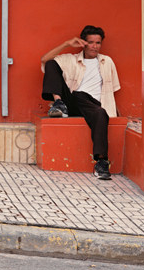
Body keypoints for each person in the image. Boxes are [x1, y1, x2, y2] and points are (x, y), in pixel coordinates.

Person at [40, 25, 121, 180]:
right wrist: (66, 44)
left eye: (98, 43)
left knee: (100, 112)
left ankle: (102, 162)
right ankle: (58, 104)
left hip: (93, 106)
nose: (94, 46)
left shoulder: (107, 61)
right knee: (52, 64)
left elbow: (112, 90)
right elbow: (44, 60)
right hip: (72, 101)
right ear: (83, 43)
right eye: (91, 42)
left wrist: (118, 113)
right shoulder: (71, 59)